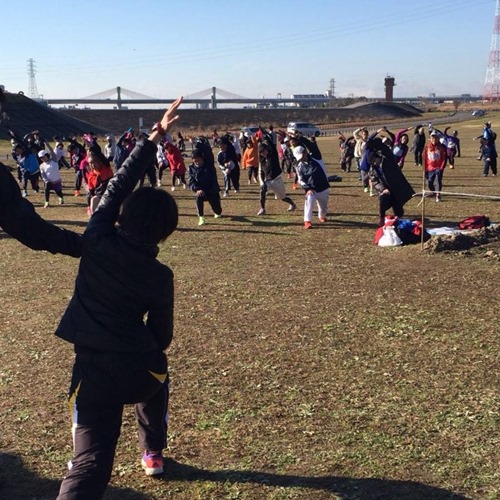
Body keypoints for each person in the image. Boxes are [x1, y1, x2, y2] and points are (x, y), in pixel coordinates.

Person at [0, 97, 183, 499]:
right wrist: (158, 133)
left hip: (94, 372)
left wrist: (155, 136)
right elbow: (162, 336)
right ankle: (152, 450)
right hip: (142, 372)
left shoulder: (98, 236)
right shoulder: (159, 274)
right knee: (160, 375)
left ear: (120, 216)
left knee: (89, 463)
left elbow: (118, 182)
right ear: (164, 234)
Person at [257, 136, 296, 216]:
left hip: (277, 179)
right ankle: (262, 209)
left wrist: (267, 136)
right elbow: (261, 172)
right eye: (261, 152)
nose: (263, 153)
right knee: (262, 191)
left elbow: (273, 147)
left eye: (263, 151)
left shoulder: (273, 155)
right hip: (268, 180)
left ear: (267, 149)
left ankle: (292, 204)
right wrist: (262, 182)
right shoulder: (262, 161)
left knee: (282, 197)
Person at [293, 145, 330, 229]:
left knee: (323, 208)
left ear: (305, 152)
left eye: (301, 156)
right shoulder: (299, 166)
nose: (300, 159)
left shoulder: (317, 159)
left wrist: (299, 137)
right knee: (308, 199)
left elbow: (311, 144)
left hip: (323, 187)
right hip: (311, 189)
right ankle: (307, 221)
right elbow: (300, 180)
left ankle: (322, 216)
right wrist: (308, 188)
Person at [188, 146, 222, 225]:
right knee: (198, 198)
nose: (197, 162)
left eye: (198, 160)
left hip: (211, 191)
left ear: (202, 158)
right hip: (201, 191)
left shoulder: (209, 166)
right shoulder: (191, 168)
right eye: (195, 161)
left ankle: (217, 211)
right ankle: (201, 217)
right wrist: (197, 189)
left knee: (218, 211)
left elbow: (209, 154)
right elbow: (191, 181)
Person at [423, 130, 447, 202]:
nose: (434, 139)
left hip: (438, 167)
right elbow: (424, 158)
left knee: (438, 180)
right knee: (429, 182)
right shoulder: (427, 147)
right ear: (430, 138)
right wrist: (424, 168)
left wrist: (441, 167)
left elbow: (444, 158)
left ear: (438, 138)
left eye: (436, 138)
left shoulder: (442, 147)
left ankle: (438, 195)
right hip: (429, 168)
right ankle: (433, 192)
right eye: (432, 138)